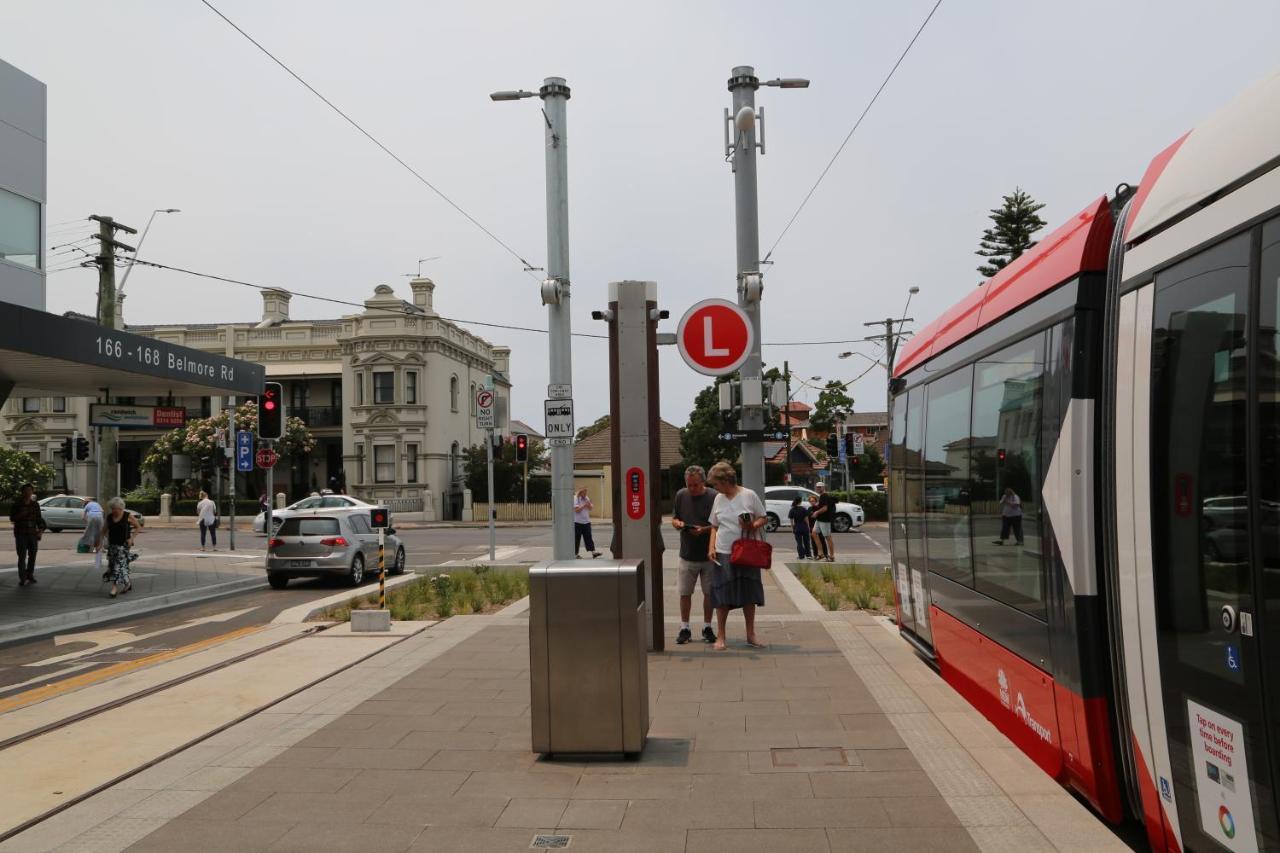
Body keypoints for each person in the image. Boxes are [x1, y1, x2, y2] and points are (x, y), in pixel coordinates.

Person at [705, 461, 768, 650]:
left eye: (716, 484)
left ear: (725, 481)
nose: (714, 488)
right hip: (724, 550)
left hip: (747, 549)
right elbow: (714, 525)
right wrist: (711, 547)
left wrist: (753, 525)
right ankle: (721, 636)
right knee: (722, 593)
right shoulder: (718, 498)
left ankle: (751, 634)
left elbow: (763, 517)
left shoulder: (749, 495)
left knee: (749, 592)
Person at [671, 465, 718, 645]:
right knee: (684, 593)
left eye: (695, 485)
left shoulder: (714, 496)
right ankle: (685, 627)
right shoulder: (681, 495)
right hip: (687, 553)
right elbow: (674, 517)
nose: (692, 489)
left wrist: (704, 530)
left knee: (709, 593)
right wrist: (677, 523)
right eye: (689, 485)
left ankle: (707, 626)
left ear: (703, 482)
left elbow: (720, 523)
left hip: (709, 554)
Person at [98, 497, 141, 598]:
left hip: (123, 545)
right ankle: (127, 584)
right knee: (114, 566)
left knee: (117, 566)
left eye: (115, 508)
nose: (113, 510)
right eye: (112, 508)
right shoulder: (109, 517)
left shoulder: (127, 516)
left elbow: (138, 527)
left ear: (121, 508)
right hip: (112, 546)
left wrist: (132, 539)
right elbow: (103, 531)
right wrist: (100, 542)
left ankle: (114, 588)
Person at [9, 483, 46, 586]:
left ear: (32, 492)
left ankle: (30, 574)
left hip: (32, 534)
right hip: (21, 534)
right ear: (22, 492)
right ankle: (22, 577)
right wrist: (21, 515)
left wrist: (40, 531)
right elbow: (12, 518)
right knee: (22, 556)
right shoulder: (17, 504)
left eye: (30, 490)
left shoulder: (35, 504)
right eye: (26, 490)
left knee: (33, 555)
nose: (28, 492)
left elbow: (39, 519)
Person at [812, 482, 838, 562]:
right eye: (817, 487)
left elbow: (825, 508)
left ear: (823, 487)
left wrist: (816, 512)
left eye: (820, 487)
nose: (818, 488)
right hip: (820, 519)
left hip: (824, 520)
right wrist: (817, 506)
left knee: (828, 537)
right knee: (814, 533)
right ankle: (821, 553)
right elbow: (823, 506)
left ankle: (832, 556)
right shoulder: (822, 496)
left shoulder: (824, 496)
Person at [573, 489, 601, 558]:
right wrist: (584, 505)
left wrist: (588, 505)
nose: (586, 494)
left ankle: (593, 552)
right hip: (577, 522)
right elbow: (577, 510)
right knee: (577, 538)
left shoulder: (586, 498)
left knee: (588, 537)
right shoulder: (575, 498)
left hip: (586, 521)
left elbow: (591, 508)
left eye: (586, 492)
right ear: (580, 492)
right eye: (584, 493)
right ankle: (575, 554)